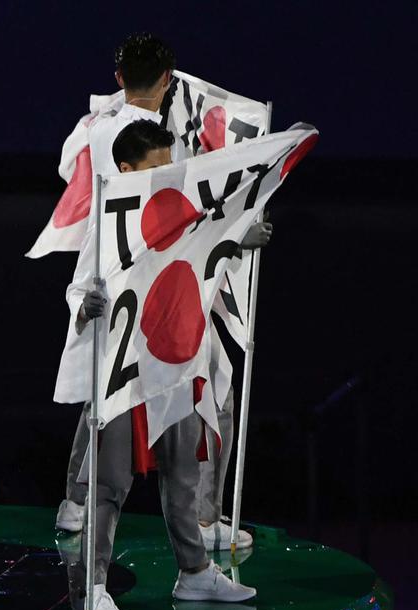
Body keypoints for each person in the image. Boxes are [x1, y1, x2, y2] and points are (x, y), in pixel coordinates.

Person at [54, 34, 264, 553]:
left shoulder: (92, 130)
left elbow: (69, 174)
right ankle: (204, 521)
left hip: (108, 269)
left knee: (108, 390)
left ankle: (75, 503)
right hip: (160, 279)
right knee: (211, 384)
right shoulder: (153, 144)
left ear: (120, 77)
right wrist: (236, 233)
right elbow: (176, 209)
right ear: (168, 79)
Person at [67, 119, 258, 610]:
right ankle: (95, 590)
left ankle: (194, 571)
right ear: (127, 170)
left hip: (176, 366)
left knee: (183, 475)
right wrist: (86, 306)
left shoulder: (186, 215)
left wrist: (239, 239)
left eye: (170, 166)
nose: (166, 176)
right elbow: (77, 291)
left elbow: (209, 249)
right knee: (108, 488)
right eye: (155, 168)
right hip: (125, 374)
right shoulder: (108, 224)